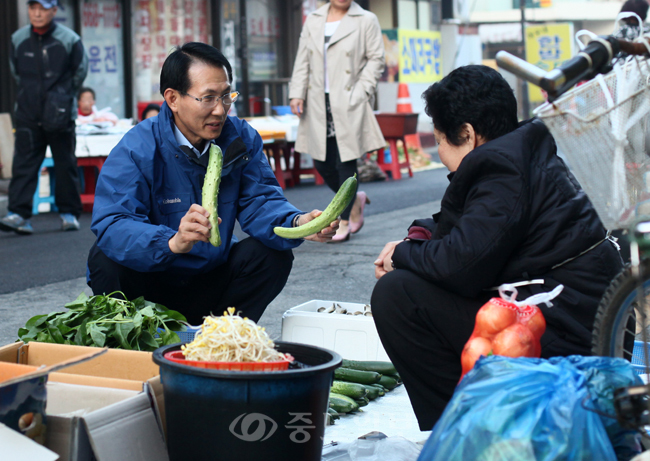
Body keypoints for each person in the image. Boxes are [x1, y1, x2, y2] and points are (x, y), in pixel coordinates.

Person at [371, 65, 623, 431]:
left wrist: (401, 255)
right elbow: (471, 227)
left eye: (441, 140)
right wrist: (416, 239)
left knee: (398, 295)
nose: (440, 151)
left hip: (568, 336)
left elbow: (462, 264)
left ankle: (460, 431)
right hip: (578, 319)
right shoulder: (520, 152)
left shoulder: (502, 167)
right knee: (414, 278)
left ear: (468, 135)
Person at [87, 42, 339, 325]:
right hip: (151, 285)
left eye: (226, 96)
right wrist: (171, 241)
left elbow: (261, 201)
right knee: (104, 259)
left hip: (212, 281)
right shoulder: (137, 147)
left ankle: (221, 338)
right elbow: (113, 223)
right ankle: (139, 345)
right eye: (207, 98)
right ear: (172, 98)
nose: (220, 110)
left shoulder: (240, 138)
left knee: (272, 255)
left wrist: (298, 224)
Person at [289, 0, 385, 243]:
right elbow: (302, 60)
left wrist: (362, 91)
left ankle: (342, 220)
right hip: (317, 101)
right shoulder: (313, 19)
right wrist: (296, 92)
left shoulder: (365, 20)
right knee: (321, 162)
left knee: (346, 159)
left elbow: (376, 59)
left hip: (349, 99)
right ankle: (354, 202)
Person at [0, 0, 88, 235]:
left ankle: (69, 213)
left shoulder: (69, 39)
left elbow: (80, 72)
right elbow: (16, 72)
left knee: (65, 163)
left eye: (43, 8)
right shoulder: (18, 39)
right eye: (32, 8)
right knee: (23, 164)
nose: (37, 13)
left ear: (53, 11)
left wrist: (61, 97)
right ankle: (19, 214)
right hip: (28, 111)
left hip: (59, 113)